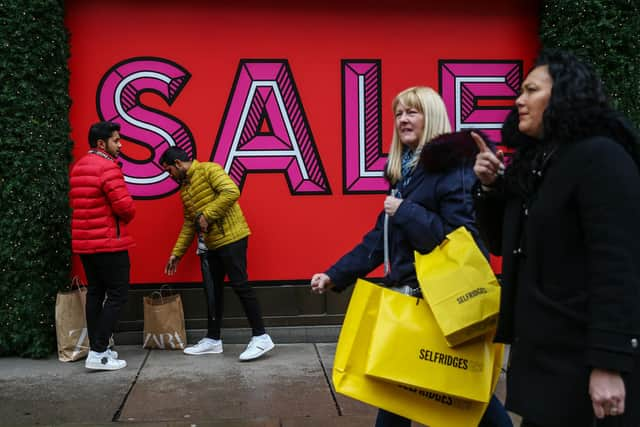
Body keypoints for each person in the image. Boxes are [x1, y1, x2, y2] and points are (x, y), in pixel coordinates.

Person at [310, 86, 512, 427]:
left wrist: (405, 211)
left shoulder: (454, 170)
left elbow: (462, 240)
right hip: (418, 302)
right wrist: (335, 274)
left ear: (431, 116)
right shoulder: (407, 174)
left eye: (412, 111)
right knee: (406, 387)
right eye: (399, 113)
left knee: (465, 395)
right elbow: (379, 240)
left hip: (443, 306)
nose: (403, 119)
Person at [472, 49, 640, 427]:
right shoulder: (538, 162)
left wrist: (608, 364)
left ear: (564, 96)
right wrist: (490, 188)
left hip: (583, 365)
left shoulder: (602, 157)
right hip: (546, 362)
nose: (518, 100)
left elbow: (618, 266)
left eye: (531, 89)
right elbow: (503, 243)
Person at [160, 147, 274, 362]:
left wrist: (207, 215)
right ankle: (213, 340)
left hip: (233, 237)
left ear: (177, 164)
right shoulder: (185, 189)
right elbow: (189, 223)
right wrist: (177, 253)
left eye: (169, 171)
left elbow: (231, 191)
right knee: (213, 292)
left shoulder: (209, 169)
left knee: (241, 286)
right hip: (211, 244)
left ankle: (261, 336)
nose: (170, 176)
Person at [70, 121, 135, 371]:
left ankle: (99, 348)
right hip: (109, 243)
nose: (120, 144)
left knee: (96, 293)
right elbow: (125, 207)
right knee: (118, 294)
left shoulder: (79, 167)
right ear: (102, 143)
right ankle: (98, 352)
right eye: (116, 140)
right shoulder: (107, 168)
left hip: (86, 244)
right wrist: (129, 211)